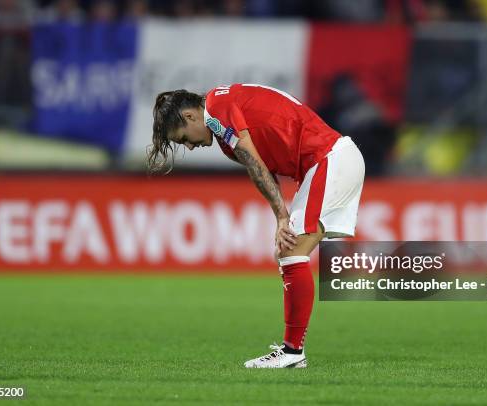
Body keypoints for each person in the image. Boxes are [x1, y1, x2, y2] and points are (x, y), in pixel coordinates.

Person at [147, 83, 365, 368]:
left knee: (291, 252)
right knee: (289, 254)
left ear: (190, 116)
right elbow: (261, 166)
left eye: (183, 138)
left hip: (329, 159)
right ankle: (293, 351)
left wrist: (282, 217)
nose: (189, 146)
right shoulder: (224, 131)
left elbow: (255, 166)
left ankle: (292, 352)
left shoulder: (216, 109)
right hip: (327, 162)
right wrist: (282, 215)